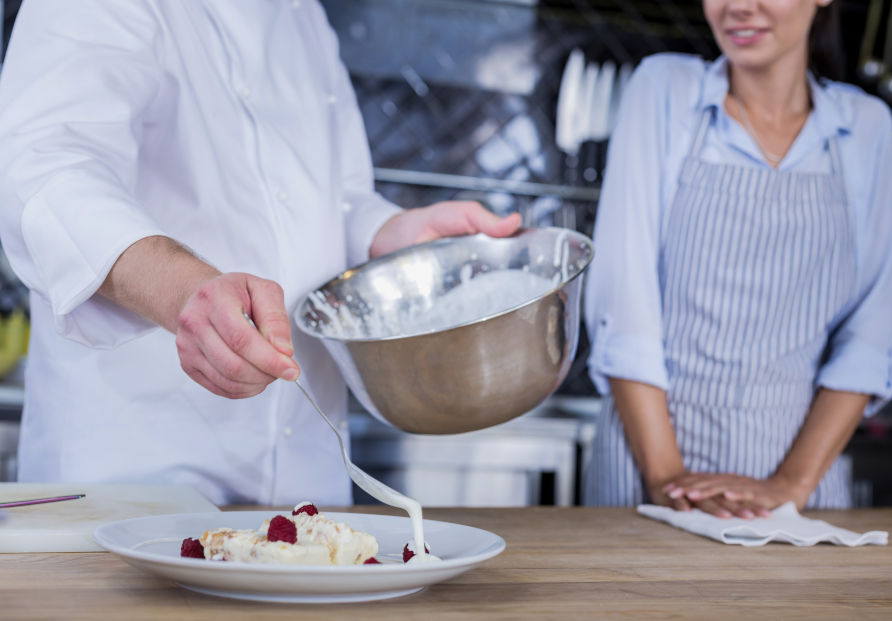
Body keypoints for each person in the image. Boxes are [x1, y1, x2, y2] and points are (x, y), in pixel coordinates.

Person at [0, 0, 520, 506]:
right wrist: (185, 292)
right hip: (134, 473)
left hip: (302, 475)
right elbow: (41, 169)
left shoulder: (303, 13)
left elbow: (329, 198)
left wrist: (390, 233)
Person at [583, 0, 892, 516]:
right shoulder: (663, 89)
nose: (738, 7)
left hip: (803, 482)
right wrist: (668, 480)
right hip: (645, 470)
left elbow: (868, 337)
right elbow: (624, 306)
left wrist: (791, 485)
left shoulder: (866, 127)